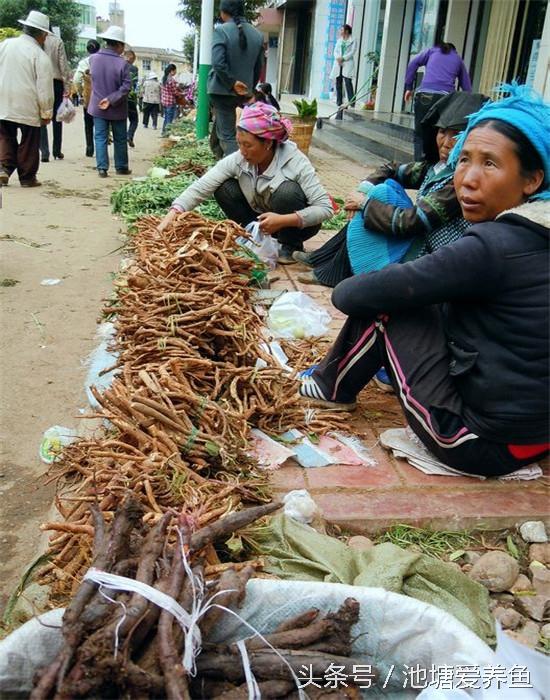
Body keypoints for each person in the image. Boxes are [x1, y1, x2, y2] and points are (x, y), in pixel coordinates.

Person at [299, 84, 549, 478]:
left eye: (490, 163)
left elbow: (349, 295)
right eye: (464, 159)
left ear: (532, 180)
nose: (467, 178)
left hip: (476, 442)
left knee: (389, 301)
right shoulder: (537, 234)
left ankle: (331, 387)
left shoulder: (492, 245)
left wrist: (401, 288)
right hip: (536, 436)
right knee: (425, 292)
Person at [296, 92, 488, 287]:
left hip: (430, 254)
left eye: (455, 134)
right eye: (442, 132)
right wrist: (364, 188)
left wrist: (364, 202)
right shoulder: (436, 168)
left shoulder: (461, 181)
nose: (446, 142)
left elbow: (413, 221)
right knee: (385, 186)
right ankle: (324, 258)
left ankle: (334, 271)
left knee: (376, 197)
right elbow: (393, 169)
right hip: (419, 236)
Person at [157, 101, 333, 263]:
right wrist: (170, 217)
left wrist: (283, 220)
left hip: (294, 225)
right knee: (223, 187)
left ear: (268, 144)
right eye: (240, 144)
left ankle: (289, 246)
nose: (242, 151)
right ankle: (250, 236)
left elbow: (325, 208)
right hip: (260, 219)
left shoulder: (295, 161)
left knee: (287, 191)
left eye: (248, 145)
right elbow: (201, 187)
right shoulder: (239, 159)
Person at [0, 11, 53, 188]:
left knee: (5, 137)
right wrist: (46, 111)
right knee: (29, 141)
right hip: (28, 102)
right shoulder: (40, 56)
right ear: (42, 34)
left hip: (4, 99)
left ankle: (3, 168)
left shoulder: (5, 44)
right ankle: (27, 177)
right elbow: (44, 88)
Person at [208, 0, 264, 156]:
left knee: (228, 136)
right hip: (243, 92)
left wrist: (232, 83)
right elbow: (258, 68)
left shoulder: (222, 31)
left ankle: (234, 173)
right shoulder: (258, 35)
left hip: (222, 90)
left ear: (223, 12)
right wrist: (249, 90)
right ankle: (219, 160)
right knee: (220, 131)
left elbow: (218, 64)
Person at [404, 42, 471, 160]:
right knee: (439, 132)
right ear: (454, 50)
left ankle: (419, 164)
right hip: (445, 98)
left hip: (424, 95)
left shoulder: (431, 51)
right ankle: (434, 164)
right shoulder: (457, 58)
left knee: (420, 133)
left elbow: (413, 63)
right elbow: (466, 86)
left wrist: (409, 87)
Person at [88, 26, 131, 178]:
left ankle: (102, 168)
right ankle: (121, 167)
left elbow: (92, 80)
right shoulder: (123, 63)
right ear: (118, 44)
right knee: (120, 138)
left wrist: (103, 98)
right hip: (117, 108)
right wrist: (111, 99)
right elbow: (126, 87)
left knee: (100, 137)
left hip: (98, 106)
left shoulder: (93, 59)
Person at [40, 27, 70, 162]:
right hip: (56, 82)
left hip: (40, 81)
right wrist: (67, 86)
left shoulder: (36, 41)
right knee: (57, 118)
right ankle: (57, 151)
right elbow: (63, 65)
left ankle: (44, 152)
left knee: (42, 115)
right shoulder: (57, 41)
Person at [74, 39, 100, 157]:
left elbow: (76, 80)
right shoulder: (102, 61)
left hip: (89, 97)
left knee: (88, 124)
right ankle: (101, 148)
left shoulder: (84, 62)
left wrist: (81, 93)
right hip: (101, 97)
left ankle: (89, 148)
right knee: (101, 124)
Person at [330, 24, 356, 120]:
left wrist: (343, 58)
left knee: (348, 81)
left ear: (347, 31)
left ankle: (352, 101)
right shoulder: (339, 40)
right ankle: (339, 101)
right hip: (338, 63)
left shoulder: (353, 40)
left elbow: (353, 51)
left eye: (342, 30)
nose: (340, 31)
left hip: (347, 63)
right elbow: (335, 51)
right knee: (338, 81)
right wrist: (338, 58)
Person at [160, 64, 181, 136]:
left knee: (166, 117)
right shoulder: (171, 80)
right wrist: (181, 94)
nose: (175, 72)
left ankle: (163, 132)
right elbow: (174, 92)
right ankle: (167, 133)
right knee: (169, 119)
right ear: (172, 71)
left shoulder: (164, 78)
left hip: (164, 101)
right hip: (170, 102)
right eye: (175, 70)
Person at [124, 49, 139, 147]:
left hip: (119, 98)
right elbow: (135, 83)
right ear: (130, 57)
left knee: (121, 120)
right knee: (134, 120)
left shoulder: (117, 65)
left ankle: (123, 138)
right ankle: (129, 136)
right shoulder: (133, 69)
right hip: (130, 97)